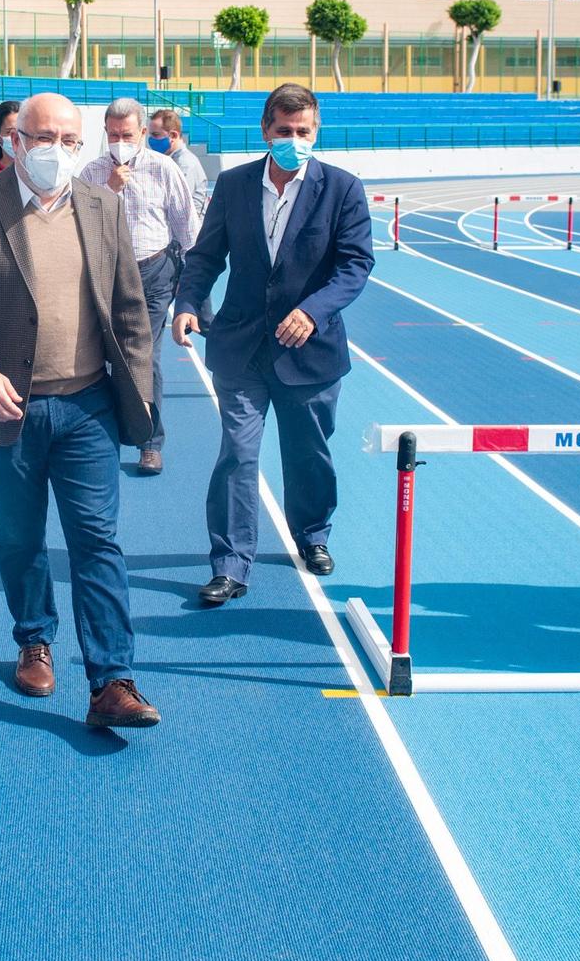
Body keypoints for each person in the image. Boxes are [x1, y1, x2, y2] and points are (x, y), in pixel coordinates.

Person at [0, 92, 161, 730]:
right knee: (23, 539)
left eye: (67, 139)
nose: (55, 148)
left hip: (88, 408)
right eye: (42, 136)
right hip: (10, 412)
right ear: (15, 141)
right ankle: (33, 637)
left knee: (97, 542)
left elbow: (131, 312)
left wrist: (145, 402)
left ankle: (112, 679)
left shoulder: (105, 207)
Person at [173, 83, 374, 604]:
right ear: (265, 130)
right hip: (240, 347)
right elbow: (205, 255)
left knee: (309, 453)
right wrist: (189, 303)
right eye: (283, 131)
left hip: (312, 352)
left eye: (303, 132)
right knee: (238, 454)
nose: (293, 140)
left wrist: (312, 311)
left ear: (316, 132)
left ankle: (312, 534)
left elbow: (355, 266)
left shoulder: (343, 189)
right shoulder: (235, 185)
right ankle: (231, 562)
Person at [78, 97, 196, 475]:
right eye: (113, 135)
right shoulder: (91, 173)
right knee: (106, 358)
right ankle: (105, 436)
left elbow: (188, 231)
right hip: (105, 275)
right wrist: (109, 190)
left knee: (146, 356)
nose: (119, 141)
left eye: (127, 134)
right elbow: (76, 227)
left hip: (153, 271)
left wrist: (192, 291)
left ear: (143, 133)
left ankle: (149, 441)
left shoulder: (164, 170)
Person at [149, 107, 209, 218]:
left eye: (156, 135)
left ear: (173, 135)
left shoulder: (185, 164)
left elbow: (177, 205)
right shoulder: (167, 160)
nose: (151, 139)